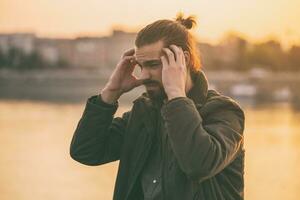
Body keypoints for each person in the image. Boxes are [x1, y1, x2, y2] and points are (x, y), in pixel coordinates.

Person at [70, 13, 245, 200]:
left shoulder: (224, 112)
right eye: (140, 66)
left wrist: (176, 96)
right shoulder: (144, 114)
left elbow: (199, 164)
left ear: (183, 60)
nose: (144, 75)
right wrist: (111, 92)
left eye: (153, 65)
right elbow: (85, 151)